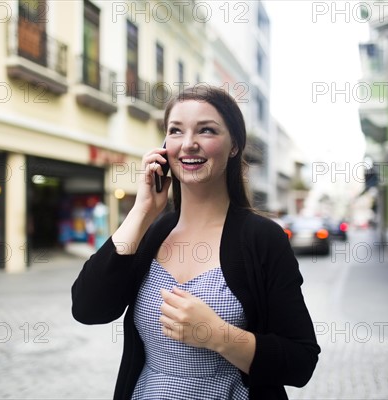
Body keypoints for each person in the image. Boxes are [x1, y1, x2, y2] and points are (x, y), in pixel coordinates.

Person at [71, 85, 320, 399]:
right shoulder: (152, 231)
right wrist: (142, 211)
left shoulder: (262, 238)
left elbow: (300, 361)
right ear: (164, 146)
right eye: (176, 131)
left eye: (206, 130)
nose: (188, 144)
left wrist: (218, 335)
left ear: (234, 147)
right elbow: (88, 308)